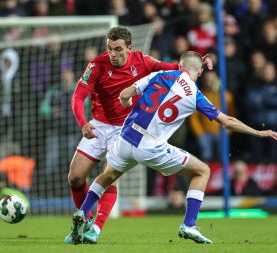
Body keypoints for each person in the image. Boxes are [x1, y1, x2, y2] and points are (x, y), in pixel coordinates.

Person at [68, 51, 277, 245]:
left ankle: (83, 212)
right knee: (202, 171)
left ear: (179, 65)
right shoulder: (195, 94)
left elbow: (125, 94)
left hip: (126, 139)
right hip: (151, 146)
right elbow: (227, 121)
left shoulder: (159, 76)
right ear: (198, 71)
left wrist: (126, 104)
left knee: (108, 175)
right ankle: (189, 225)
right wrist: (258, 132)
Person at [65, 27, 213, 244]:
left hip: (127, 128)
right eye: (109, 49)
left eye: (117, 49)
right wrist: (83, 123)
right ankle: (85, 220)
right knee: (75, 177)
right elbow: (78, 97)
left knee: (110, 176)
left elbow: (175, 69)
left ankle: (95, 229)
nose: (112, 54)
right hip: (98, 125)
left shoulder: (142, 61)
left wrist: (200, 63)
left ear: (129, 48)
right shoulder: (97, 65)